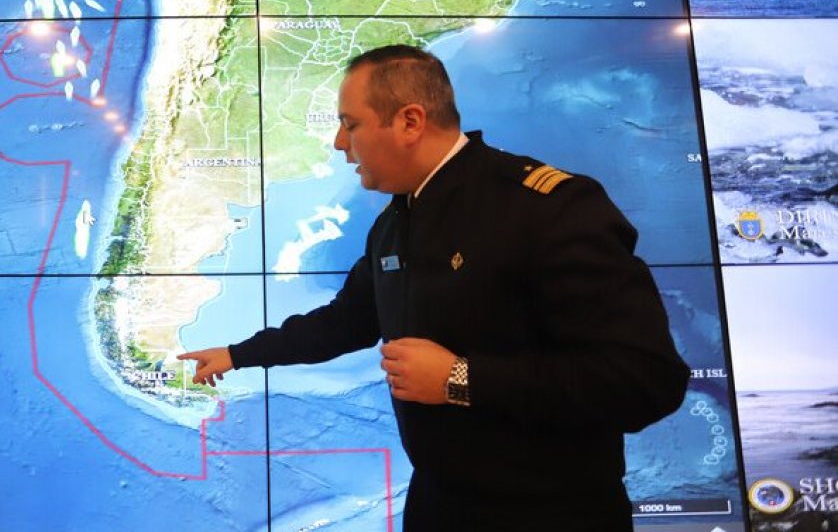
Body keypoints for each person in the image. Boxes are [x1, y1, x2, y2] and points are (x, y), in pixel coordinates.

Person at [178, 44, 690, 532]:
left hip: (550, 516)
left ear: (410, 121)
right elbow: (348, 321)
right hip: (439, 505)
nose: (338, 143)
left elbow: (645, 381)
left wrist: (460, 379)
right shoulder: (396, 222)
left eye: (350, 124)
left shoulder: (546, 209)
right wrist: (238, 354)